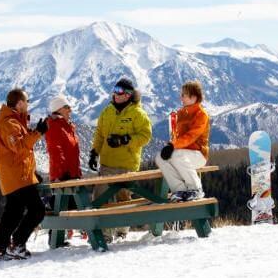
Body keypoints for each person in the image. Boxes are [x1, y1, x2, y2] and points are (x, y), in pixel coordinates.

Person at [88, 78, 152, 242]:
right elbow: (100, 134)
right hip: (107, 163)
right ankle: (105, 234)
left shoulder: (138, 113)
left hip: (127, 165)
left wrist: (125, 139)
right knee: (100, 197)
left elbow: (145, 136)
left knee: (123, 198)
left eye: (120, 90)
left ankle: (122, 231)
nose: (116, 93)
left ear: (128, 95)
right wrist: (94, 152)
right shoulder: (107, 111)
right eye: (115, 89)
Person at [0, 88, 48, 261]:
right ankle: (16, 244)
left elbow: (22, 149)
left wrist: (32, 173)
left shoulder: (15, 121)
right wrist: (38, 133)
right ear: (20, 103)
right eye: (27, 101)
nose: (29, 104)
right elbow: (19, 147)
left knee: (13, 213)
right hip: (17, 176)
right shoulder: (10, 123)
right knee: (37, 210)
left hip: (17, 175)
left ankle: (1, 249)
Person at [155, 80, 210, 202]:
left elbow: (191, 136)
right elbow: (177, 137)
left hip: (198, 155)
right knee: (160, 157)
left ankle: (196, 189)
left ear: (194, 97)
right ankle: (180, 190)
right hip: (181, 154)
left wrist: (172, 145)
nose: (181, 98)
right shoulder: (181, 113)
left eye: (184, 95)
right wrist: (170, 145)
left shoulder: (201, 115)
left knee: (176, 155)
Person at [45, 95, 82, 182]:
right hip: (63, 177)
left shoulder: (68, 127)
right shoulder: (54, 126)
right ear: (58, 109)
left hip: (73, 175)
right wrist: (59, 175)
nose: (70, 110)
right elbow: (55, 151)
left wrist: (77, 172)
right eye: (67, 107)